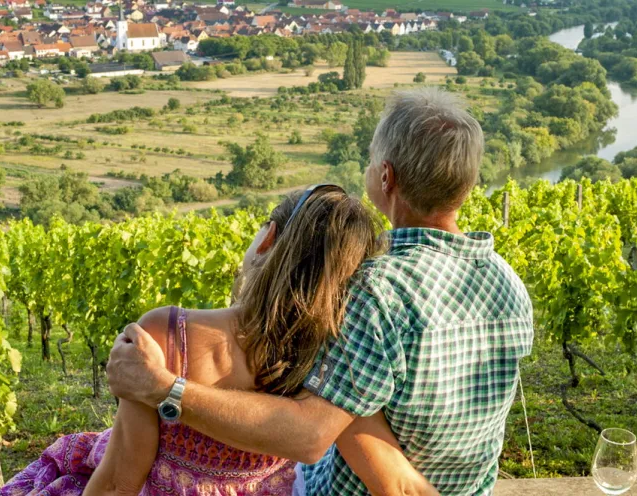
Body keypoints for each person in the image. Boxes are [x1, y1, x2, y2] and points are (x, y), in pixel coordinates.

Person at [108, 87, 535, 496]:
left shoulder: (377, 291)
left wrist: (164, 388)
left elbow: (311, 435)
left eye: (371, 161)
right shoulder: (509, 284)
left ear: (385, 177)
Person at [0, 186, 439, 496]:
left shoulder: (165, 336)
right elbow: (396, 479)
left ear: (267, 239)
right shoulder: (331, 356)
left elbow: (119, 483)